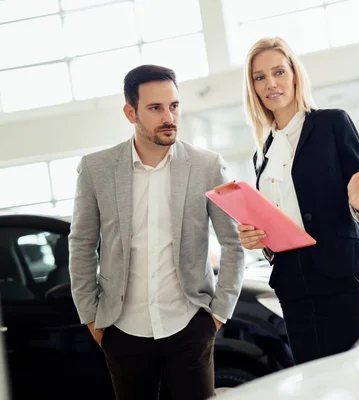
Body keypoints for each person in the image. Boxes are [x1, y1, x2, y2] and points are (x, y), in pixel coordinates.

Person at [68, 64, 245, 400]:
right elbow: (81, 244)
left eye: (174, 106)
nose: (169, 117)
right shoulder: (96, 168)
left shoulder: (207, 165)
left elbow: (233, 242)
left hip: (190, 325)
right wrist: (91, 317)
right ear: (129, 112)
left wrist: (218, 314)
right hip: (122, 329)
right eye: (155, 108)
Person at [238, 37, 359, 365]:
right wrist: (257, 237)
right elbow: (280, 217)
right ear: (252, 87)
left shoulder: (331, 124)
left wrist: (357, 201)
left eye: (278, 72)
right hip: (294, 284)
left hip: (342, 276)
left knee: (355, 375)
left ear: (295, 74)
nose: (271, 83)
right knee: (314, 381)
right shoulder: (262, 153)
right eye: (260, 77)